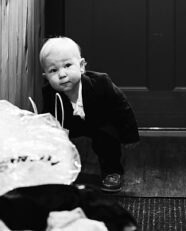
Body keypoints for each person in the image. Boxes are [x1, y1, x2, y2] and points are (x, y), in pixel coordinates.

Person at [40, 36, 139, 194]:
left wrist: (129, 136)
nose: (62, 74)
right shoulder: (50, 93)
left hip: (99, 120)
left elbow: (122, 107)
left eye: (67, 65)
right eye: (53, 70)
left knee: (106, 138)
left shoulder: (101, 83)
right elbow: (49, 119)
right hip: (71, 123)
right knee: (56, 138)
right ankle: (59, 172)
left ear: (81, 66)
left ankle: (112, 172)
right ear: (46, 77)